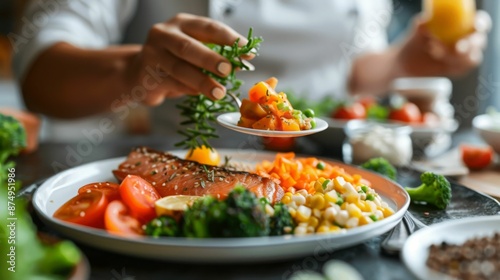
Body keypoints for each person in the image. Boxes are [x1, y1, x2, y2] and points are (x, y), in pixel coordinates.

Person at [11, 0, 490, 139]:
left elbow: (351, 69)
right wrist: (132, 71)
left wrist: (405, 60)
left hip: (331, 170)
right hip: (190, 167)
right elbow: (39, 72)